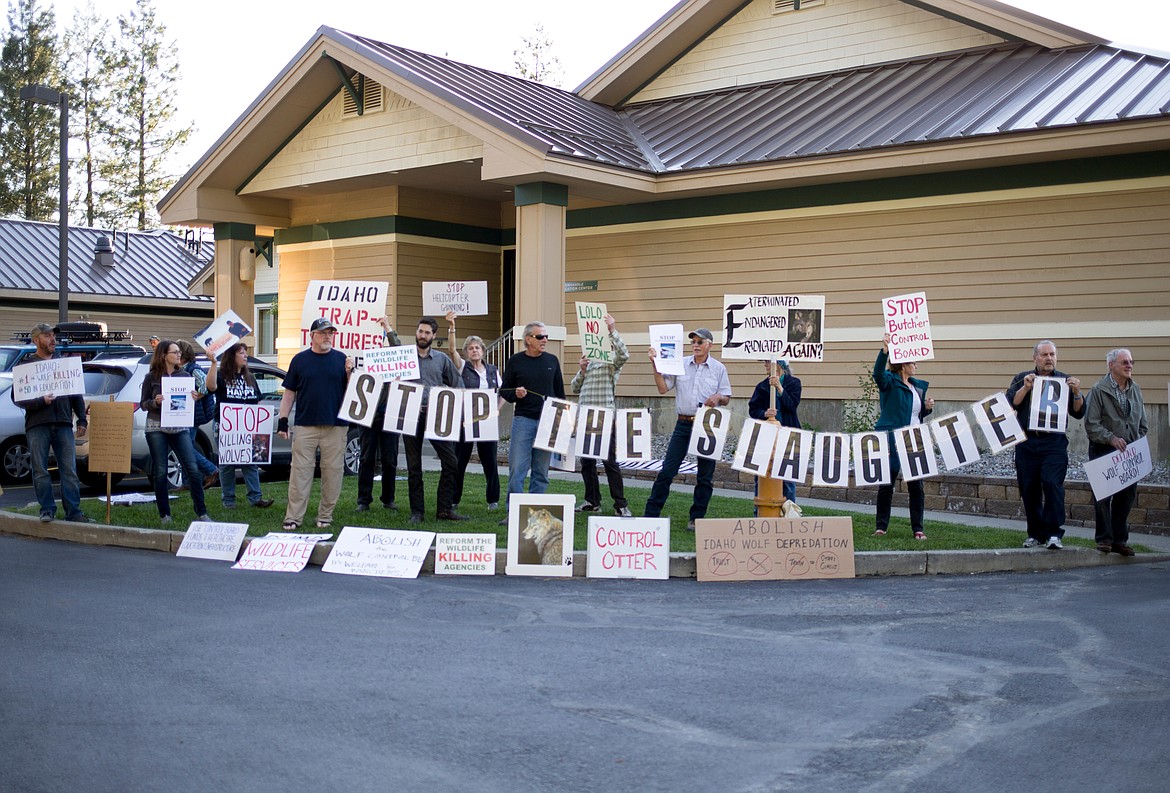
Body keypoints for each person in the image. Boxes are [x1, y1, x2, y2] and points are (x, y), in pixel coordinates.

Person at [643, 328, 732, 531]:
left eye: (700, 341)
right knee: (667, 470)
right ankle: (651, 514)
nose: (696, 345)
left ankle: (696, 517)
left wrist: (718, 397)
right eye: (693, 341)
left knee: (705, 475)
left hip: (708, 423)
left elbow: (726, 396)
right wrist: (654, 364)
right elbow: (663, 388)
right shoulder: (681, 363)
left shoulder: (719, 369)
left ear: (710, 344)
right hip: (683, 423)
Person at [1006, 340, 1085, 549]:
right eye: (1044, 355)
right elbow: (1011, 402)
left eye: (1052, 354)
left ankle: (1054, 534)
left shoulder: (1065, 380)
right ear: (1035, 358)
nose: (1049, 358)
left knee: (1052, 484)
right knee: (1029, 488)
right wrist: (1025, 387)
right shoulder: (1022, 378)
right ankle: (1035, 534)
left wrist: (1077, 393)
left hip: (1054, 442)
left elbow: (1078, 412)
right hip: (1027, 441)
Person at [277, 318, 354, 531]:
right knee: (300, 472)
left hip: (336, 425)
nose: (327, 336)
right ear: (312, 336)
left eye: (330, 333)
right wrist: (283, 420)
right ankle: (293, 517)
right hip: (305, 425)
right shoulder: (300, 360)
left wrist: (350, 374)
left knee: (333, 472)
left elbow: (352, 396)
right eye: (323, 332)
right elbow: (290, 392)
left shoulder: (342, 360)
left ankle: (326, 515)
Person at [15, 323, 92, 524]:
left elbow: (75, 393)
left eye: (53, 336)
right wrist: (41, 401)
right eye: (47, 336)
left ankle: (73, 511)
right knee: (40, 470)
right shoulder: (26, 367)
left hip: (63, 423)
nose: (52, 339)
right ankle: (47, 509)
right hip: (37, 425)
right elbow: (18, 398)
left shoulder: (64, 364)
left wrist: (81, 419)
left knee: (69, 469)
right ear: (36, 340)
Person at [139, 339, 211, 525]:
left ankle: (202, 513)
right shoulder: (152, 377)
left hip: (179, 427)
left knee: (193, 469)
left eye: (179, 352)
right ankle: (165, 515)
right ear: (164, 355)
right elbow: (143, 404)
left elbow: (202, 392)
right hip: (157, 427)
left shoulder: (186, 376)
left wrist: (194, 397)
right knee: (161, 471)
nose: (179, 355)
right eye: (175, 352)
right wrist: (155, 402)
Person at [401, 316, 465, 524]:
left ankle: (444, 510)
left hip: (436, 415)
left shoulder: (441, 359)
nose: (423, 335)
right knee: (413, 465)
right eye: (420, 331)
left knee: (451, 462)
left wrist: (454, 406)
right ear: (416, 332)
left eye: (427, 332)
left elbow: (458, 384)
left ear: (434, 336)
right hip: (411, 415)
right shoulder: (404, 357)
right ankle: (417, 512)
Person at [500, 321, 566, 520]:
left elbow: (560, 395)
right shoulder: (515, 361)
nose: (545, 340)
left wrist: (562, 421)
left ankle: (535, 513)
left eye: (546, 336)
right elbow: (505, 390)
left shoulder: (552, 361)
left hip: (548, 422)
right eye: (540, 337)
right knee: (517, 469)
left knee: (541, 471)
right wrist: (516, 394)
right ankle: (514, 514)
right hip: (523, 421)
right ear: (528, 339)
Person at [1084, 348, 1147, 556]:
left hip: (1129, 452)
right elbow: (1091, 424)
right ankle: (1104, 539)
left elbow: (1142, 423)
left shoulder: (1135, 389)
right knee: (1103, 498)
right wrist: (1111, 438)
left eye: (1131, 362)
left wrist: (1137, 440)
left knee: (1126, 497)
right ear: (1112, 366)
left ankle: (1120, 539)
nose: (1129, 365)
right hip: (1103, 449)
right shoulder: (1098, 390)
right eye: (1124, 362)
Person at [872, 334, 935, 540]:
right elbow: (877, 374)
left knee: (916, 485)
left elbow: (913, 414)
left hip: (913, 438)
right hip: (892, 438)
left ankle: (918, 529)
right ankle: (881, 526)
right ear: (903, 364)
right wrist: (885, 350)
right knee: (887, 483)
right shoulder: (889, 381)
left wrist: (925, 409)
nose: (916, 365)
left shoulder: (917, 386)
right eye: (913, 361)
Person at [570, 313, 631, 517]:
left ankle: (620, 504)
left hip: (604, 415)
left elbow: (625, 354)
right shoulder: (587, 361)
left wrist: (612, 329)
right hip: (586, 415)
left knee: (609, 461)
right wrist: (581, 370)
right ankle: (592, 501)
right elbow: (575, 387)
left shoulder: (611, 360)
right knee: (587, 461)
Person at [446, 312, 501, 511]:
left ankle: (492, 500)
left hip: (487, 420)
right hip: (466, 420)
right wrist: (452, 326)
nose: (474, 351)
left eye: (477, 347)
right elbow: (452, 350)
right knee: (459, 461)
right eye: (470, 348)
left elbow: (501, 393)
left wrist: (496, 410)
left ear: (483, 351)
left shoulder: (493, 371)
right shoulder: (463, 368)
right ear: (467, 353)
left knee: (490, 462)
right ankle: (453, 499)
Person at [216, 342, 275, 510]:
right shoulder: (222, 377)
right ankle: (229, 501)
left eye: (245, 353)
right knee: (227, 464)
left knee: (251, 462)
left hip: (249, 427)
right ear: (232, 356)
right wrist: (213, 363)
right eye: (241, 353)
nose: (245, 356)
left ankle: (256, 498)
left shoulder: (250, 378)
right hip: (227, 427)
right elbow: (211, 388)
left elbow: (257, 399)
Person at [356, 318, 400, 514]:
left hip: (389, 414)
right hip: (367, 414)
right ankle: (363, 500)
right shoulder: (361, 360)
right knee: (366, 458)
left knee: (390, 459)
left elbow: (397, 348)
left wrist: (387, 328)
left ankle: (388, 499)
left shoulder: (393, 360)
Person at [747, 359, 802, 505]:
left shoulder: (793, 383)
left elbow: (792, 405)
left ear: (778, 365)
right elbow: (753, 409)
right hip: (766, 435)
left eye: (767, 362)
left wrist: (779, 388)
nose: (765, 365)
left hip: (788, 433)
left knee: (788, 477)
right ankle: (760, 512)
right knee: (762, 474)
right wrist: (765, 413)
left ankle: (789, 512)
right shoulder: (762, 386)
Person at [176, 339, 220, 490]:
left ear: (182, 354)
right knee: (186, 446)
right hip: (186, 414)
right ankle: (188, 482)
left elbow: (205, 384)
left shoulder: (192, 369)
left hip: (192, 414)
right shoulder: (183, 369)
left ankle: (210, 469)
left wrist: (196, 396)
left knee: (185, 447)